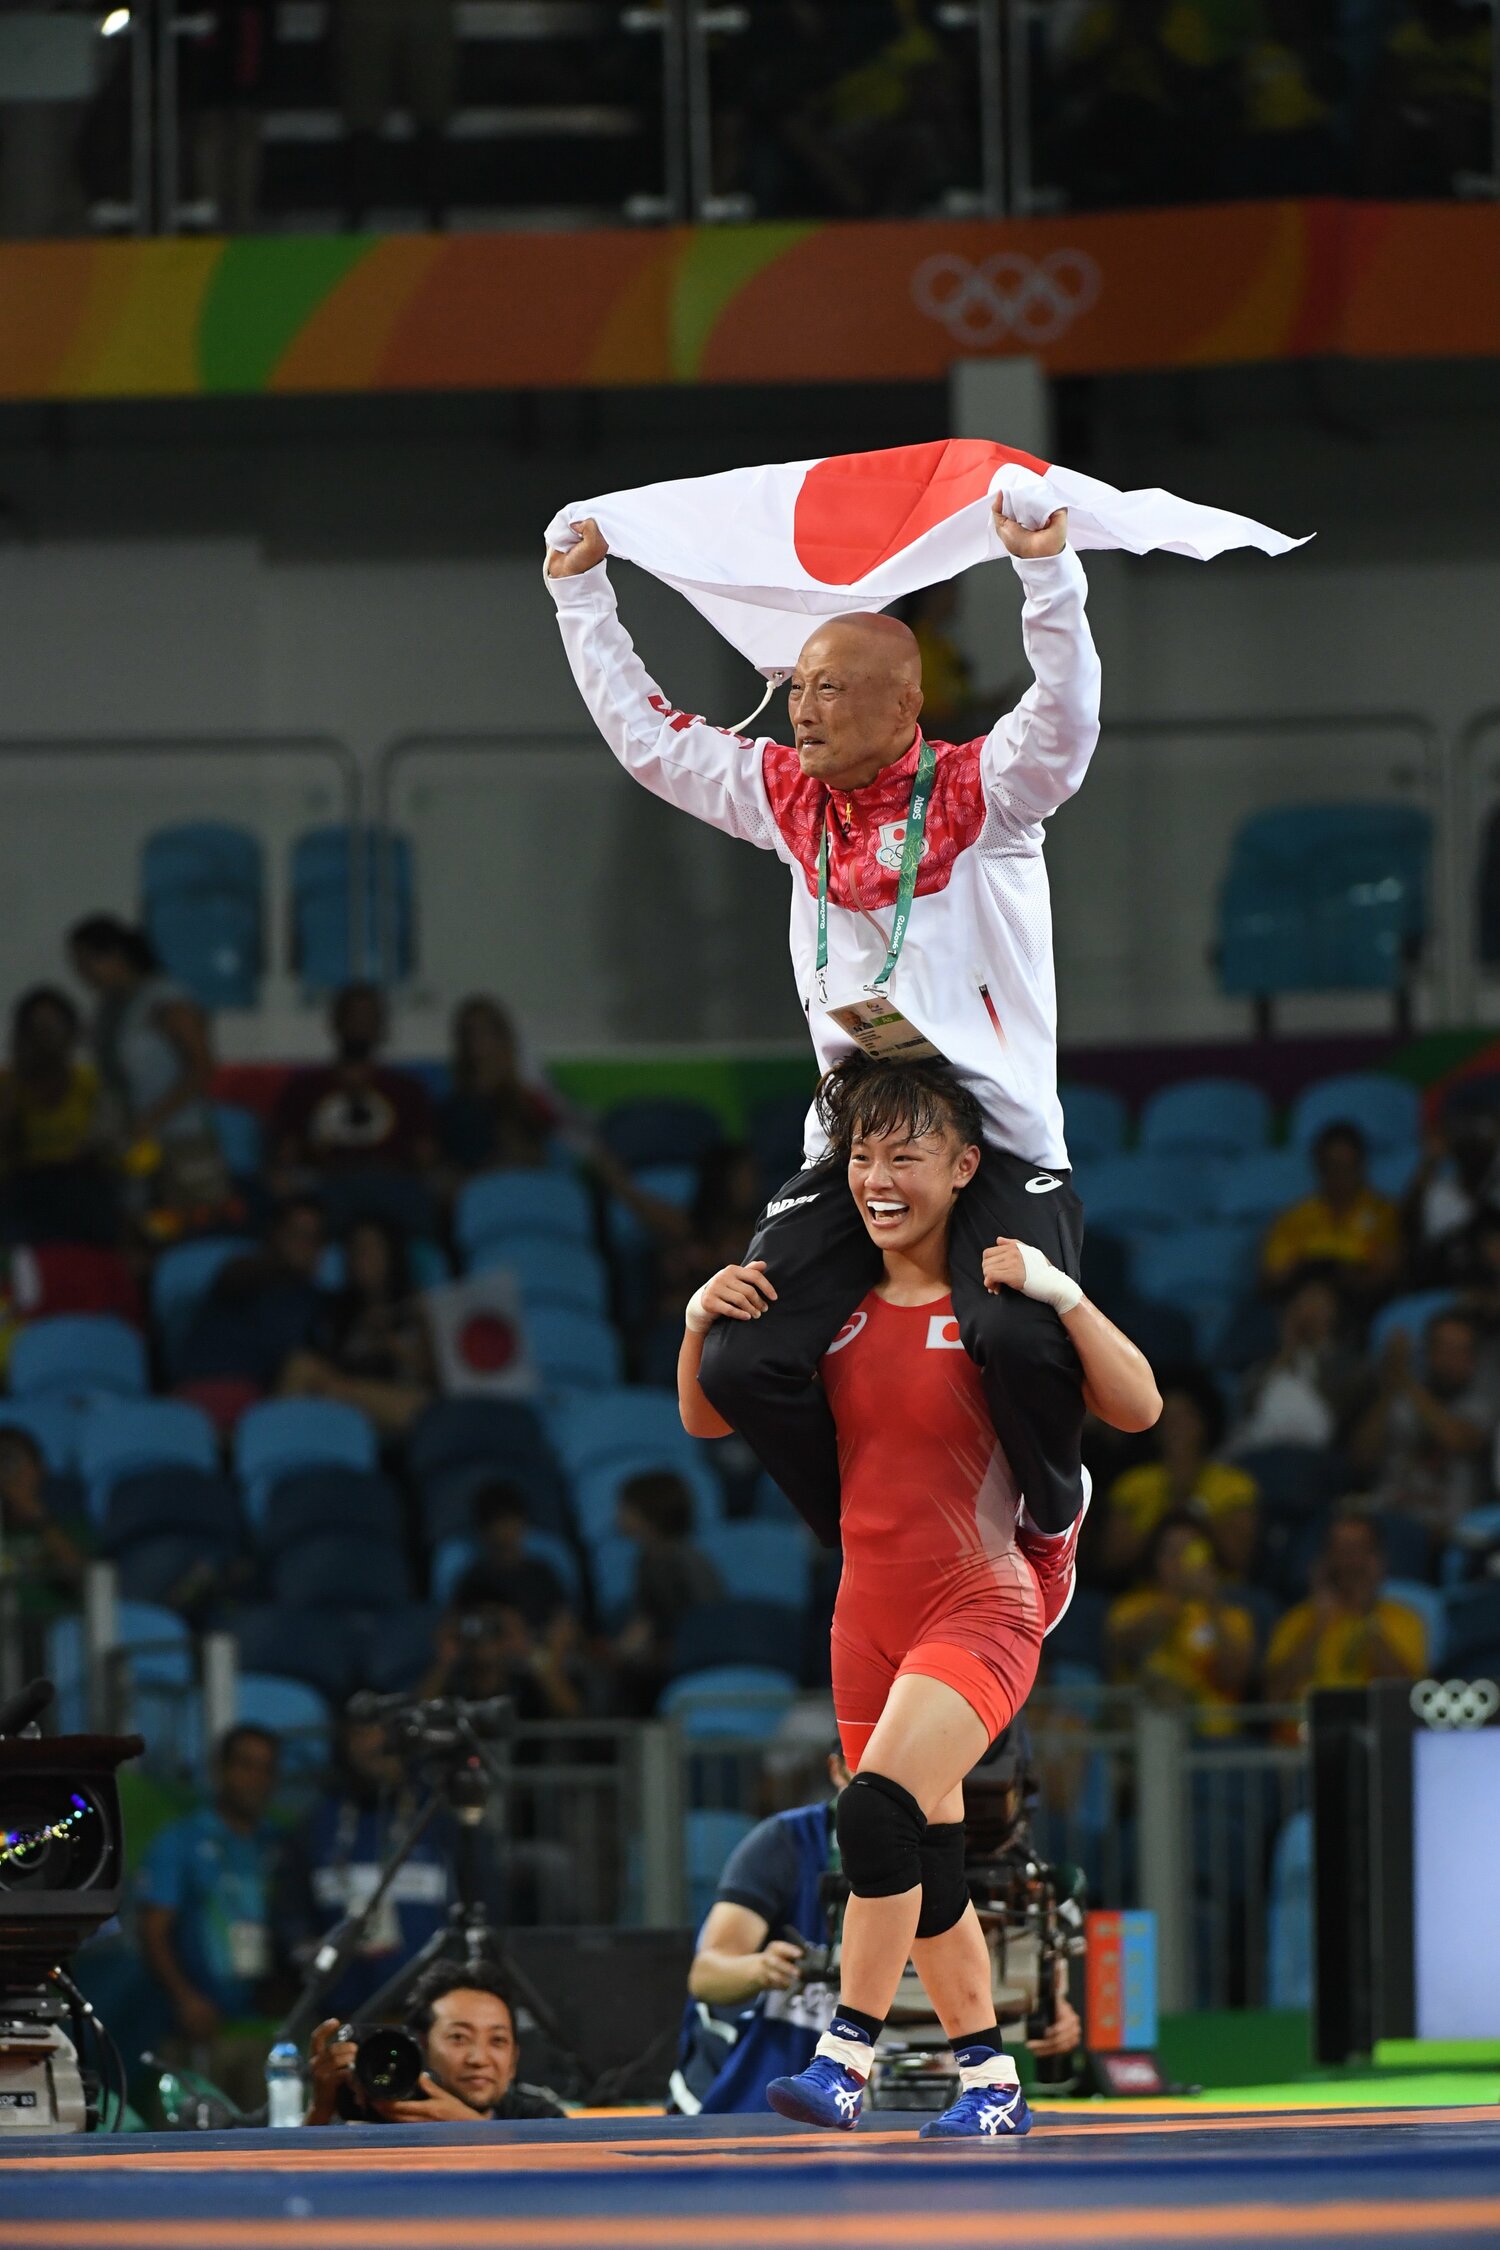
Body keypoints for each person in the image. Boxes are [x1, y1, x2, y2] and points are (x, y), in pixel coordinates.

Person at [546, 485, 1103, 1574]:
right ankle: (867, 1528)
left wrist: (1048, 577)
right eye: (797, 690)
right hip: (860, 1142)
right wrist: (581, 597)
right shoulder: (786, 798)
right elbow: (650, 742)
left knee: (1017, 1333)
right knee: (742, 1359)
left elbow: (1066, 715)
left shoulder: (986, 794)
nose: (801, 712)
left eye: (830, 690)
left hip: (993, 1141)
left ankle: (1049, 1514)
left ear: (905, 705)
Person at [677, 1054, 1159, 2137]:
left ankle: (843, 2057)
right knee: (927, 1857)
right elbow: (708, 1421)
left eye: (907, 1154)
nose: (878, 1176)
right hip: (867, 1614)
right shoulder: (830, 1311)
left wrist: (1064, 1291)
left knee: (872, 1814)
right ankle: (989, 2085)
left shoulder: (996, 1307)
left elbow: (1139, 1407)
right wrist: (700, 1318)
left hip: (982, 1603)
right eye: (860, 1154)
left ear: (965, 1167)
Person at [671, 1733, 1081, 2117]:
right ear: (838, 1770)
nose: (894, 1787)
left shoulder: (971, 1853)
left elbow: (1017, 1977)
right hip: (759, 2102)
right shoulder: (784, 1843)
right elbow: (707, 1973)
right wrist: (759, 1968)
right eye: (873, 1772)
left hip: (912, 2104)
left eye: (904, 1768)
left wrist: (1053, 2017)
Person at [135, 1725, 283, 2115]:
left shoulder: (276, 1843)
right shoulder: (182, 1840)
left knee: (273, 2151)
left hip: (265, 2030)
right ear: (220, 1771)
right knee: (191, 2149)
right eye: (246, 1766)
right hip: (201, 2031)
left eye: (267, 1769)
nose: (257, 1779)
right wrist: (186, 1998)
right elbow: (153, 1930)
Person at [274, 1711, 453, 2022]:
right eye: (361, 1733)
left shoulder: (439, 1823)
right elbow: (292, 1919)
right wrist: (306, 1955)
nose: (374, 1745)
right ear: (344, 1744)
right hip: (342, 2017)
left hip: (429, 2017)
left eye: (384, 1735)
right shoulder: (315, 1828)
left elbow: (480, 1912)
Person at [68, 914, 227, 1230]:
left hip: (181, 1137)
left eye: (86, 963)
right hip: (131, 1142)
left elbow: (202, 1067)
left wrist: (153, 1118)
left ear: (115, 955)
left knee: (193, 1224)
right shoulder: (109, 1008)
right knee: (138, 1228)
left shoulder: (166, 998)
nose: (82, 974)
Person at [304, 1962, 566, 2124]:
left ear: (513, 2061)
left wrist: (468, 2130)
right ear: (421, 2047)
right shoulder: (376, 2111)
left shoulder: (540, 2119)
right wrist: (321, 2109)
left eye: (497, 2041)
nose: (478, 2059)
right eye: (458, 2038)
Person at [270, 983, 438, 1191]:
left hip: (390, 1186)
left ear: (381, 1027)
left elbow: (425, 1157)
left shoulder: (407, 1091)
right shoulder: (303, 1089)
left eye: (368, 1018)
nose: (360, 1025)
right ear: (335, 1023)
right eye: (353, 1016)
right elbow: (286, 1155)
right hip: (324, 1187)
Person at [1349, 1309, 1497, 1542]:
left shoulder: (1482, 1405)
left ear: (1472, 1359)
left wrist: (1406, 1380)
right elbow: (1361, 1457)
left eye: (1458, 1351)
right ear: (1427, 1352)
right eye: (1442, 1348)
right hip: (1387, 1521)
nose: (1449, 1359)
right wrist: (1389, 1389)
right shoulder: (1397, 1399)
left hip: (1447, 1530)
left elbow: (1457, 1439)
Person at [280, 1214, 435, 1436]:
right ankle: (276, 1444)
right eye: (355, 1249)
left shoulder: (419, 1305)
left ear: (391, 1253)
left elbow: (433, 1375)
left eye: (371, 1247)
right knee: (300, 1365)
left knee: (334, 1389)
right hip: (349, 1393)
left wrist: (389, 1341)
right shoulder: (340, 1310)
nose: (362, 1256)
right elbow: (335, 1362)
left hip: (404, 1399)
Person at [1103, 1368, 1260, 1586]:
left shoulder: (1235, 1485)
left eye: (1185, 1416)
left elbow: (1240, 1561)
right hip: (1149, 1597)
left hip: (1220, 1596)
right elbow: (1112, 1560)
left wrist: (1194, 1514)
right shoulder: (1133, 1484)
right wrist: (1166, 1519)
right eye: (1167, 1418)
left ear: (1204, 1422)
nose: (1175, 1427)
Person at [1104, 1514, 1257, 1732]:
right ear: (1155, 1559)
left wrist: (1211, 1604)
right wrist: (1176, 1602)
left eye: (1189, 1552)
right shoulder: (1130, 1608)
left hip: (1214, 1743)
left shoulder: (1232, 1617)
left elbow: (1233, 1677)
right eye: (1171, 1553)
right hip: (1145, 1736)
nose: (1180, 1562)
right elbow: (1124, 1653)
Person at [1264, 1515, 1427, 1718]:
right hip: (1297, 1743)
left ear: (1378, 1561)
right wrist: (1317, 1626)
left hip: (1374, 1739)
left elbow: (1410, 1701)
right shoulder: (1296, 1620)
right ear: (1324, 1560)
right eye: (1341, 1550)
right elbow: (1273, 1699)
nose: (1351, 1561)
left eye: (1360, 1549)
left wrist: (1367, 1619)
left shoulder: (1405, 1620)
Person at [0, 986, 113, 1244]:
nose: (45, 1036)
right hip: (21, 1190)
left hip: (80, 1188)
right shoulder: (8, 1085)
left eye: (53, 1027)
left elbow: (106, 1143)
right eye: (36, 1028)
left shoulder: (88, 1083)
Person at [178, 1195, 326, 1389]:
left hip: (260, 1400)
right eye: (295, 1234)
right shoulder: (243, 1276)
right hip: (214, 1388)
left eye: (311, 1239)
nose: (302, 1246)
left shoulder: (312, 1298)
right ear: (276, 1234)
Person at [610, 1469, 725, 1715]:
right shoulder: (651, 1559)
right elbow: (648, 1620)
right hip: (674, 1655)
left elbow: (701, 1621)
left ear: (646, 1513)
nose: (616, 1515)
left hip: (693, 1658)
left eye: (623, 1507)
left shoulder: (674, 1561)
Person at [1228, 1269, 1366, 1459]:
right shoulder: (1267, 1364)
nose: (1309, 1309)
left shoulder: (1350, 1365)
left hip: (1320, 1457)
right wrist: (1289, 1350)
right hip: (1263, 1452)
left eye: (1318, 1302)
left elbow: (1340, 1413)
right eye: (1302, 1301)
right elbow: (1249, 1405)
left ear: (1335, 1310)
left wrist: (1311, 1352)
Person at [1261, 1121, 1401, 1303]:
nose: (1340, 1176)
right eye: (1332, 1167)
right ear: (1319, 1168)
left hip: (1361, 1303)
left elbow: (1389, 1271)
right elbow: (1272, 1277)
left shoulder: (1383, 1212)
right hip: (1299, 1296)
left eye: (1348, 1166)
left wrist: (1345, 1273)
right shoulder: (1294, 1217)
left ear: (1362, 1166)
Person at [438, 996, 557, 1176]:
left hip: (532, 1181)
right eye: (471, 1034)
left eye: (488, 1031)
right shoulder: (458, 1106)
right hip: (484, 1185)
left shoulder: (528, 1096)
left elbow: (551, 1139)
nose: (481, 1041)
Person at [450, 1480, 572, 1632]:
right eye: (498, 1524)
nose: (506, 1531)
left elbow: (563, 1620)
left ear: (523, 1523)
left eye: (511, 1521)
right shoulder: (472, 1581)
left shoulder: (542, 1574)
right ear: (483, 1531)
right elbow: (459, 1627)